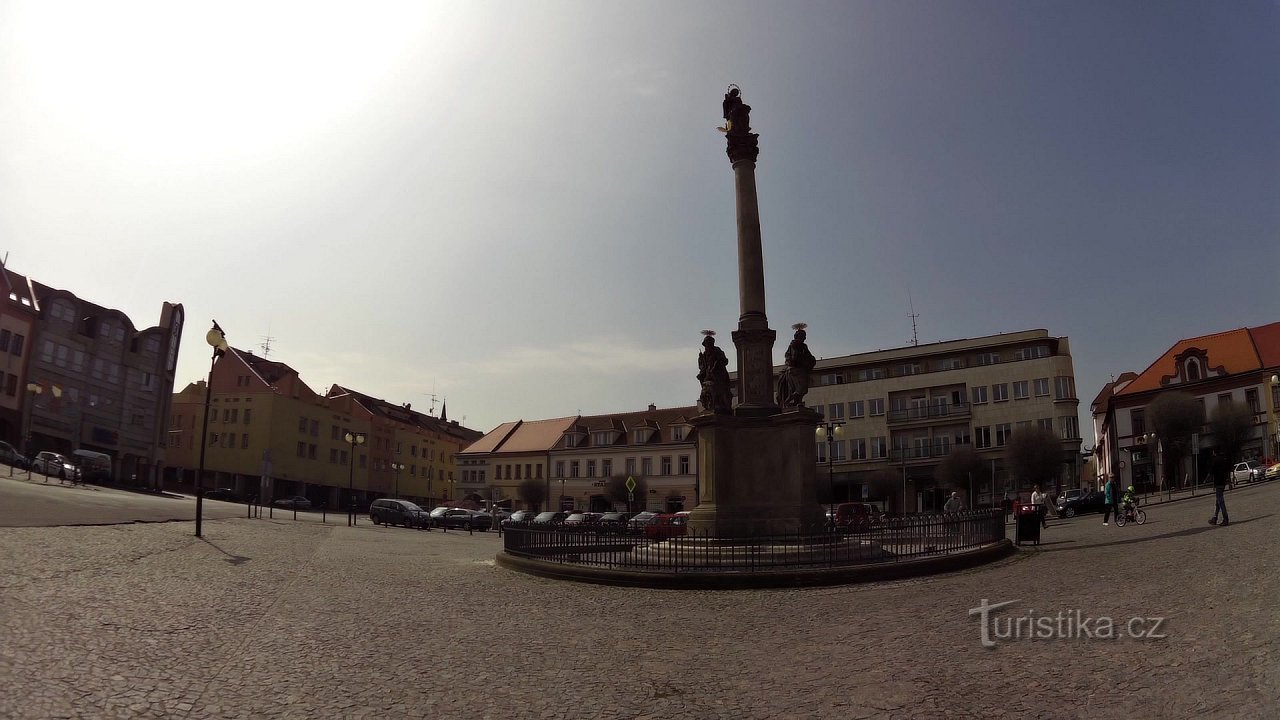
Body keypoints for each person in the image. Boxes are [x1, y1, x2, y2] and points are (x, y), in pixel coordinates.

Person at [775, 326, 817, 407]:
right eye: (803, 336)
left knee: (803, 388)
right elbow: (795, 357)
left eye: (804, 336)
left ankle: (796, 402)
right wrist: (805, 360)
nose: (804, 338)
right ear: (798, 336)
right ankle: (791, 401)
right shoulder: (794, 345)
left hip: (800, 369)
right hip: (794, 370)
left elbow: (809, 357)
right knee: (799, 388)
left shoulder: (804, 346)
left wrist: (810, 360)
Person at [1210, 455, 1230, 526]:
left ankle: (1225, 518)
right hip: (1223, 482)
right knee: (1218, 501)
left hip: (1218, 482)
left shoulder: (1215, 460)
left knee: (1220, 501)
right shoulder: (1224, 458)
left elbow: (1212, 471)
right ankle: (1215, 518)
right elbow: (1228, 469)